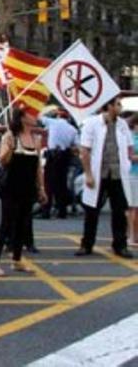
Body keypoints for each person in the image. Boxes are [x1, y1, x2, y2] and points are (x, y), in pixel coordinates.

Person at [0, 108, 46, 276]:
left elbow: (38, 168)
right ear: (22, 118)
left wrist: (41, 188)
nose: (35, 117)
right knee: (6, 224)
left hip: (28, 187)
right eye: (31, 114)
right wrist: (10, 149)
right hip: (10, 187)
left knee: (23, 223)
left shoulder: (36, 139)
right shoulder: (10, 136)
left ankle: (17, 259)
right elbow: (2, 160)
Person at [75, 98, 134, 258]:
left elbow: (129, 147)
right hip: (98, 174)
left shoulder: (122, 125)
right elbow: (85, 150)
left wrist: (128, 162)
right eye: (117, 104)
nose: (120, 107)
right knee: (92, 211)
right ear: (108, 106)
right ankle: (86, 244)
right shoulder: (92, 123)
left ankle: (120, 245)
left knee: (119, 211)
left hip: (117, 174)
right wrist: (88, 174)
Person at [39, 109, 79, 219]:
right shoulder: (73, 130)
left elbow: (39, 117)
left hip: (52, 156)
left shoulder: (52, 122)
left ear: (58, 116)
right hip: (64, 157)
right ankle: (62, 211)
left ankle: (46, 211)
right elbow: (77, 147)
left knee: (48, 185)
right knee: (61, 184)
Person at [128, 115, 138, 246]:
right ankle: (131, 236)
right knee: (132, 208)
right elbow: (129, 156)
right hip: (133, 175)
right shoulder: (131, 139)